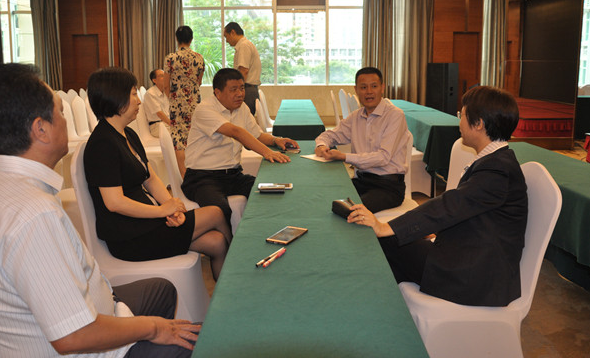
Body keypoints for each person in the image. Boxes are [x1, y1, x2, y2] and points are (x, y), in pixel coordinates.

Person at [0, 63, 200, 357]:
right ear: (40, 129)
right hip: (89, 347)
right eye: (60, 113)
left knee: (162, 290)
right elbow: (73, 335)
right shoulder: (34, 215)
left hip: (91, 309)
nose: (65, 121)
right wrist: (153, 328)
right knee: (203, 341)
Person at [347, 85, 528, 307]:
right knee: (395, 243)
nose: (459, 122)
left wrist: (385, 227)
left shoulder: (497, 169)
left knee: (386, 241)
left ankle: (376, 306)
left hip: (476, 275)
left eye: (462, 115)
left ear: (479, 123)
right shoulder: (497, 160)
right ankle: (386, 306)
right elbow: (466, 210)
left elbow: (450, 205)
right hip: (470, 253)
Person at [85, 67, 230, 280]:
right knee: (216, 213)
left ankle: (230, 293)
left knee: (217, 242)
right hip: (130, 237)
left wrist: (172, 209)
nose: (139, 101)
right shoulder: (102, 144)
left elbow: (151, 179)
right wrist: (162, 210)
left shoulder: (127, 134)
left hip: (148, 224)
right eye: (133, 94)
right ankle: (240, 274)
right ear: (115, 97)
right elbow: (114, 202)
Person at [182, 68, 299, 226]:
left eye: (242, 88)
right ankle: (228, 243)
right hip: (202, 178)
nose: (240, 94)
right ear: (217, 92)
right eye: (233, 90)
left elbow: (256, 134)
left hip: (233, 176)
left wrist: (275, 140)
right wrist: (267, 153)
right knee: (221, 210)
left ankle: (263, 230)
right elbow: (236, 132)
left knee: (269, 193)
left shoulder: (241, 108)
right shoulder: (205, 109)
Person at [314, 67, 410, 213]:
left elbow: (383, 157)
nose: (369, 92)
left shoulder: (395, 115)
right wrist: (321, 146)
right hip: (362, 181)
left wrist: (344, 157)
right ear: (356, 90)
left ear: (382, 88)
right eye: (363, 87)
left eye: (374, 86)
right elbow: (329, 136)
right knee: (323, 198)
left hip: (388, 187)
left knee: (351, 211)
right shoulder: (356, 116)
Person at [164, 25, 205, 178]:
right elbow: (199, 82)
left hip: (177, 103)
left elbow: (166, 85)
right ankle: (197, 171)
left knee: (179, 139)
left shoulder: (170, 58)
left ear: (177, 39)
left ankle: (184, 175)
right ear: (191, 39)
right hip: (194, 102)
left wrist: (172, 98)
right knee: (195, 134)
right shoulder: (199, 58)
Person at [223, 22, 261, 115]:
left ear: (233, 32)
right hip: (248, 88)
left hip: (247, 90)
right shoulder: (245, 45)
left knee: (242, 120)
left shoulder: (244, 46)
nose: (226, 41)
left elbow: (243, 71)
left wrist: (237, 90)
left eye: (226, 36)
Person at [143, 68, 171, 137]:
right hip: (157, 126)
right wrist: (173, 124)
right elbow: (159, 113)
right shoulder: (150, 93)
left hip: (166, 124)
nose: (165, 77)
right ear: (154, 80)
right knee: (180, 132)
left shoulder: (165, 92)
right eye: (161, 76)